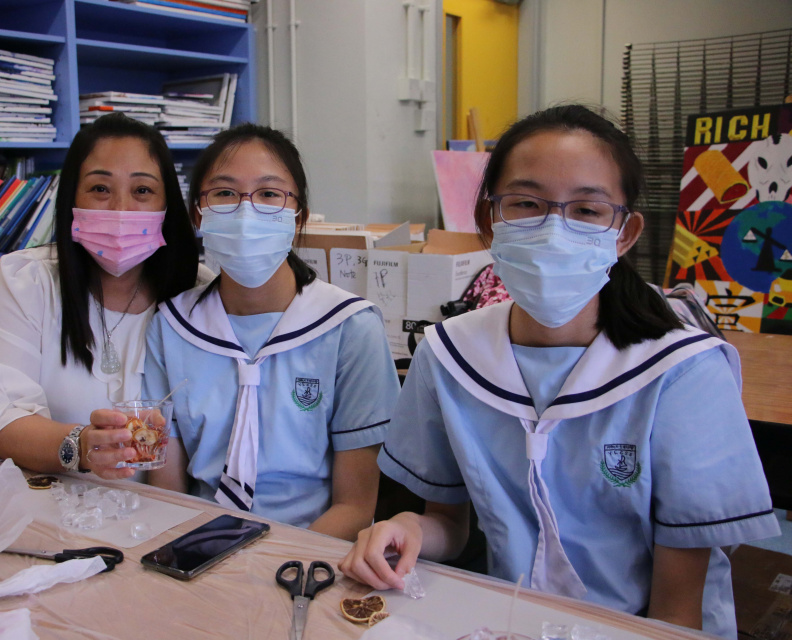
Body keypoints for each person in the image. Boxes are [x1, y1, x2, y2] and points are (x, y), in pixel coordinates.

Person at [339, 105, 779, 637]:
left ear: (625, 233)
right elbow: (451, 526)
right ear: (489, 220)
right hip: (508, 621)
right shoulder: (449, 353)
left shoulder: (682, 372)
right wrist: (408, 527)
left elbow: (677, 612)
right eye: (526, 204)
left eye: (587, 209)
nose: (553, 231)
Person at [141, 124, 400, 541]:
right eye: (225, 193)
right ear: (198, 214)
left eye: (268, 194)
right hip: (198, 541)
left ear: (298, 216)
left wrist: (276, 565)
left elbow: (354, 508)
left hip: (312, 550)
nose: (246, 212)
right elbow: (168, 491)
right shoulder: (172, 326)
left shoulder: (350, 327)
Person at [0, 113, 209, 479]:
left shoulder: (200, 293)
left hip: (165, 505)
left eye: (142, 191)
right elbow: (6, 426)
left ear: (167, 206)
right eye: (100, 188)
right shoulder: (27, 281)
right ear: (71, 197)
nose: (120, 209)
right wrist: (82, 447)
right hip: (60, 501)